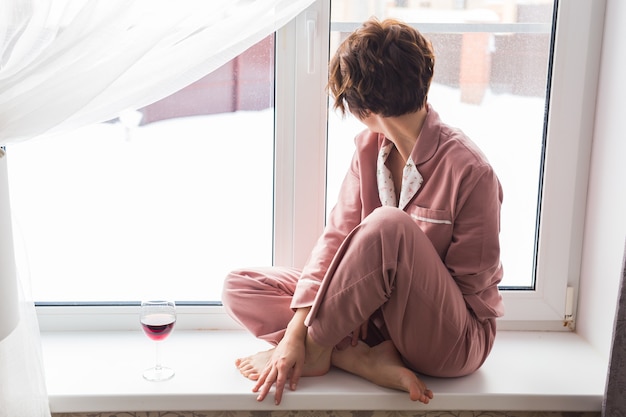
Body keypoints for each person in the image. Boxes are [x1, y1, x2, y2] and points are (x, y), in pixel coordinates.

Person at [221, 17, 504, 406]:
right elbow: (334, 242)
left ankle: (321, 349)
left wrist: (314, 332)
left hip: (452, 339)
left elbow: (471, 291)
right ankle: (356, 358)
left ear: (362, 106)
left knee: (389, 225)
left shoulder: (471, 171)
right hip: (372, 322)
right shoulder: (368, 150)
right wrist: (292, 336)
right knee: (242, 286)